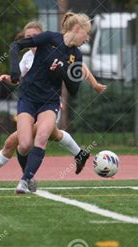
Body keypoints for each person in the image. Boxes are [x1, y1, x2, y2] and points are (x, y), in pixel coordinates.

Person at [0, 21, 106, 184]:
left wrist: (94, 84)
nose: (32, 39)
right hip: (30, 101)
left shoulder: (57, 49)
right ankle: (79, 155)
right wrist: (9, 78)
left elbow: (81, 67)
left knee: (17, 141)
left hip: (49, 104)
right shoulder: (27, 57)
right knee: (51, 135)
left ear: (41, 37)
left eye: (34, 36)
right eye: (28, 37)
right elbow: (19, 78)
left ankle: (1, 176)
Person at [9, 12, 92, 194]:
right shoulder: (48, 38)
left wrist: (63, 71)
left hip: (50, 101)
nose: (88, 38)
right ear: (77, 29)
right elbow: (15, 46)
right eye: (87, 34)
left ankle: (24, 181)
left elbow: (74, 90)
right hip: (28, 97)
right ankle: (28, 174)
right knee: (23, 145)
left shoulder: (76, 56)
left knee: (42, 137)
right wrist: (14, 71)